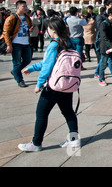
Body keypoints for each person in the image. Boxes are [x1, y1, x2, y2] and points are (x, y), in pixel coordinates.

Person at [18, 17, 80, 152]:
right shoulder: (69, 43)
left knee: (41, 114)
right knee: (69, 113)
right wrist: (32, 68)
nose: (47, 31)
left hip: (54, 87)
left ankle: (36, 143)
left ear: (53, 30)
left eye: (48, 28)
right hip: (67, 84)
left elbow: (47, 66)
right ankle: (74, 140)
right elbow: (50, 63)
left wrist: (38, 84)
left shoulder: (54, 45)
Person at [1, 0, 33, 87]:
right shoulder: (11, 18)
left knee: (28, 60)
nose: (26, 8)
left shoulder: (27, 18)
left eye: (26, 6)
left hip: (26, 43)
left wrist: (30, 30)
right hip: (16, 44)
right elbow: (6, 32)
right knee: (17, 63)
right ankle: (20, 80)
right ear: (18, 7)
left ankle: (15, 71)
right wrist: (9, 44)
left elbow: (28, 28)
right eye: (24, 6)